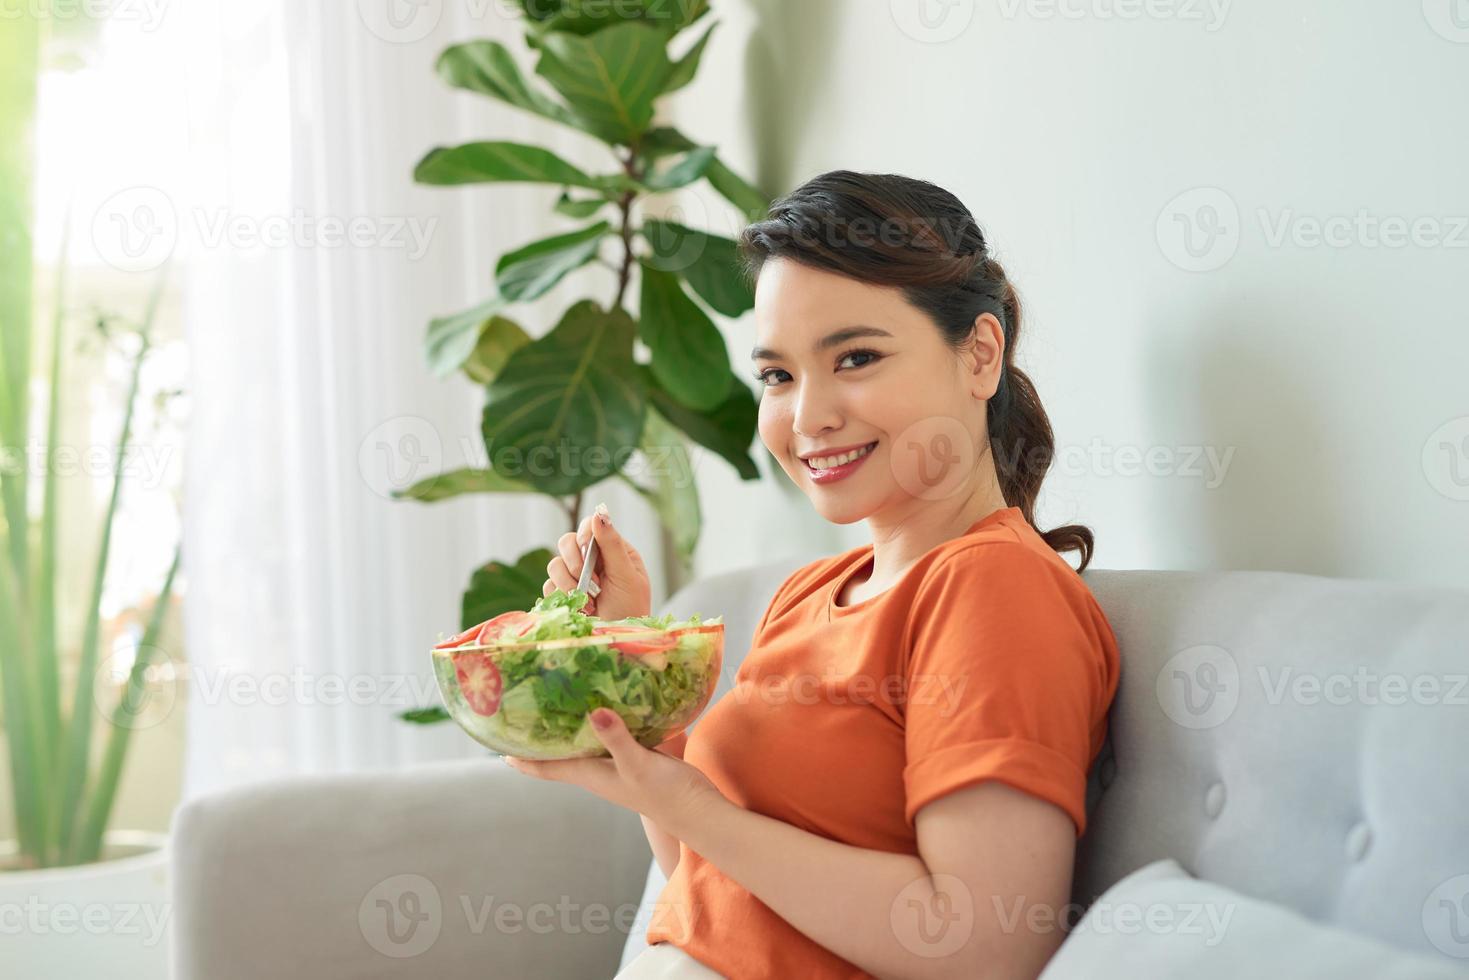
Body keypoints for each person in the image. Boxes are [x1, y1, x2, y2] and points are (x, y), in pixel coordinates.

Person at [519, 170, 1121, 979]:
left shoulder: (991, 588)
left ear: (979, 354)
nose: (807, 417)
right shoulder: (811, 594)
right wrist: (626, 661)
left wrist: (685, 802)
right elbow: (713, 886)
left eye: (857, 357)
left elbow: (987, 945)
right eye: (777, 375)